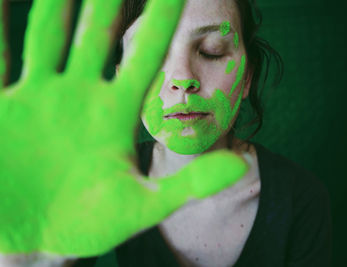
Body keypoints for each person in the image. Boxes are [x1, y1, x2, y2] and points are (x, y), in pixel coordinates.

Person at [75, 0, 332, 266]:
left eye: (212, 51)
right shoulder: (105, 185)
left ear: (247, 77)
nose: (182, 79)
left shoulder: (300, 199)